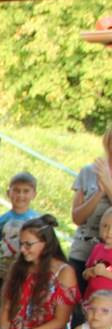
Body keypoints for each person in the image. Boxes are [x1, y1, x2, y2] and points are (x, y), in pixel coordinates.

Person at [0, 172, 40, 329]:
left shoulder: (38, 221)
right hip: (2, 275)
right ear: (8, 192)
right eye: (16, 190)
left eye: (26, 191)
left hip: (27, 276)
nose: (20, 195)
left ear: (34, 194)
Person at [68, 126, 112, 300]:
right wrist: (99, 193)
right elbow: (77, 218)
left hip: (109, 259)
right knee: (76, 306)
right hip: (82, 252)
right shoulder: (88, 171)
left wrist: (108, 184)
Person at [82, 208, 112, 299]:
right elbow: (85, 274)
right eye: (105, 226)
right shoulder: (97, 248)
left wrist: (104, 273)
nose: (109, 231)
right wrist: (90, 272)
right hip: (90, 298)